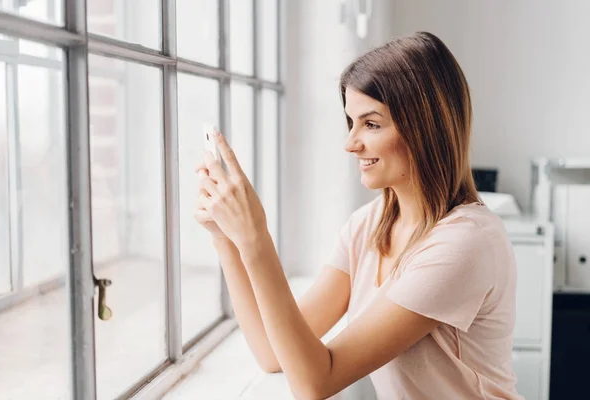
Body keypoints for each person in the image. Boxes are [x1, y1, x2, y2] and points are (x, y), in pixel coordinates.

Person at [194, 31, 522, 400]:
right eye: (351, 122)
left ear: (424, 127)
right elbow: (273, 354)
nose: (351, 143)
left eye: (371, 124)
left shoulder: (465, 242)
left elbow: (316, 382)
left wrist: (256, 238)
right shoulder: (369, 225)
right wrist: (225, 237)